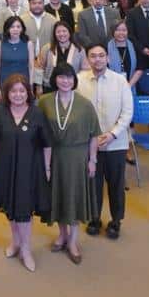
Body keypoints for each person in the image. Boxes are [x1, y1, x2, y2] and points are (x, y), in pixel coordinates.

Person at [0, 73, 51, 272]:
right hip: (5, 168)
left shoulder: (36, 113)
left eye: (22, 91)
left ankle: (26, 249)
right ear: (7, 93)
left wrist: (47, 168)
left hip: (29, 169)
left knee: (24, 210)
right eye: (13, 91)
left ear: (28, 93)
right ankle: (15, 241)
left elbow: (47, 144)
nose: (17, 95)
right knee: (10, 207)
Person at [38, 65, 100, 265]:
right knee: (57, 196)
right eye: (61, 77)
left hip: (77, 157)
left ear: (74, 80)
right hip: (53, 156)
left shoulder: (85, 104)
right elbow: (38, 133)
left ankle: (73, 241)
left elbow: (94, 136)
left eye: (69, 78)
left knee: (74, 197)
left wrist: (92, 160)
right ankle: (62, 234)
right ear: (55, 79)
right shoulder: (44, 102)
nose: (65, 81)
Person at [76, 45, 133, 240]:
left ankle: (116, 221)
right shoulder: (79, 80)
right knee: (93, 183)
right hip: (89, 143)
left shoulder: (120, 81)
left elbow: (127, 112)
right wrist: (90, 136)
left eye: (101, 56)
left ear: (108, 58)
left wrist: (112, 134)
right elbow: (75, 110)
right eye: (93, 56)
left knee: (116, 184)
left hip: (116, 143)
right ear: (88, 59)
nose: (97, 59)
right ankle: (94, 218)